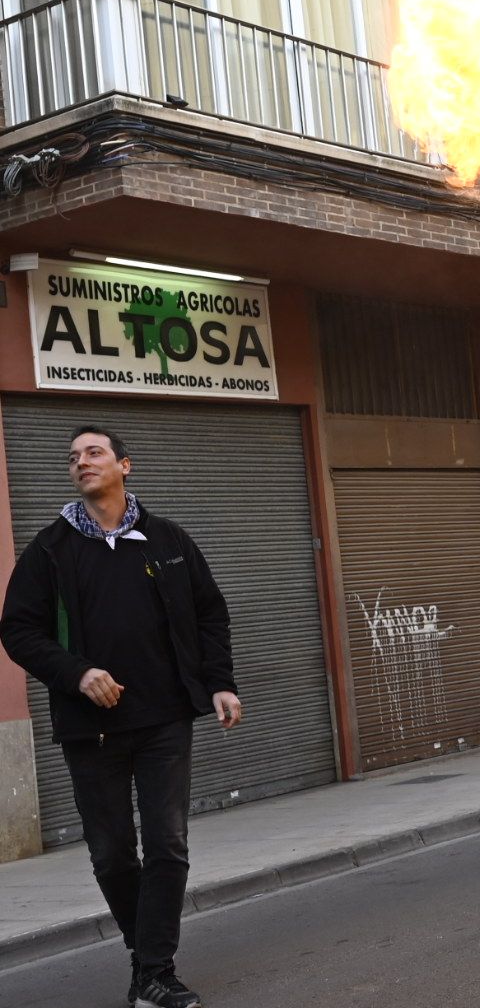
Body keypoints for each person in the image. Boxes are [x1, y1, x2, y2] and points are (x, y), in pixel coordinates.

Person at [0, 426, 241, 1008]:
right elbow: (17, 630)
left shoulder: (167, 539)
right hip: (92, 728)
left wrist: (220, 683)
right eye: (74, 457)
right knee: (111, 852)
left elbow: (210, 614)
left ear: (124, 465)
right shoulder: (51, 550)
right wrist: (77, 672)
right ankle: (148, 962)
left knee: (167, 844)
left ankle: (155, 971)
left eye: (94, 452)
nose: (82, 462)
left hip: (165, 719)